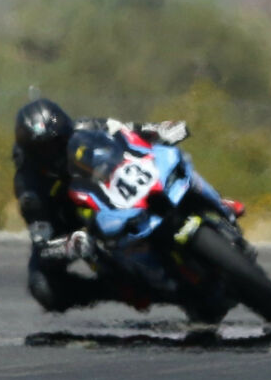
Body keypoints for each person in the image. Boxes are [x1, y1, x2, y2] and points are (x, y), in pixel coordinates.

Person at [12, 96, 224, 313]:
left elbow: (125, 132)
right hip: (73, 224)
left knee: (169, 161)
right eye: (45, 149)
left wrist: (158, 131)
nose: (55, 151)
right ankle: (121, 290)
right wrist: (68, 245)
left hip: (111, 192)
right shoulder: (30, 190)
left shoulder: (83, 128)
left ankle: (216, 203)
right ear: (33, 154)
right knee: (42, 286)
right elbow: (42, 245)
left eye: (58, 142)